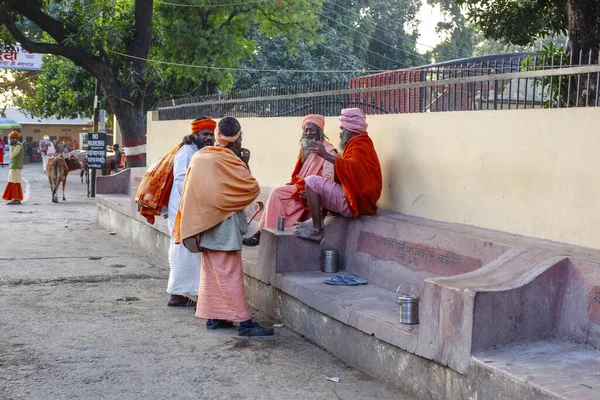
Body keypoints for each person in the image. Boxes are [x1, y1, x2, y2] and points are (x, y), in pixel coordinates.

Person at [174, 116, 273, 336]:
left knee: (211, 273)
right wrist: (245, 162)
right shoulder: (232, 160)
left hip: (204, 225)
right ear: (237, 139)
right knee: (229, 273)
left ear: (218, 134)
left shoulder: (200, 157)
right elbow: (251, 189)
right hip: (224, 226)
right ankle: (244, 323)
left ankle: (215, 317)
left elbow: (190, 192)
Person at [243, 114, 337, 247]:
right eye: (306, 130)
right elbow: (299, 174)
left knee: (277, 192)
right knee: (280, 191)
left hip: (314, 193)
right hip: (301, 189)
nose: (308, 133)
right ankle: (264, 233)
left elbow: (328, 180)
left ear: (319, 132)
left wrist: (311, 192)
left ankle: (262, 234)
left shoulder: (329, 151)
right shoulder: (306, 149)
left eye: (312, 130)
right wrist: (293, 184)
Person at [294, 108, 382, 241]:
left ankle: (316, 230)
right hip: (358, 197)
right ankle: (314, 222)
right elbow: (349, 173)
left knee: (311, 182)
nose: (340, 133)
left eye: (342, 129)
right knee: (320, 185)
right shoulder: (360, 142)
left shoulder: (359, 146)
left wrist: (325, 155)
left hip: (357, 201)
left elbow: (352, 168)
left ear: (351, 131)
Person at [167, 117, 216, 307]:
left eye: (211, 135)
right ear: (195, 135)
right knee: (183, 251)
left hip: (191, 208)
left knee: (189, 251)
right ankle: (177, 295)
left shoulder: (200, 151)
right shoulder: (186, 152)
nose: (209, 138)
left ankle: (182, 293)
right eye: (205, 134)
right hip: (184, 209)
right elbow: (181, 181)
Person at [2, 131, 24, 205]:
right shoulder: (16, 145)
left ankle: (16, 199)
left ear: (15, 139)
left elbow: (12, 156)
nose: (10, 140)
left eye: (11, 139)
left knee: (14, 182)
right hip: (13, 166)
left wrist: (11, 147)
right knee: (13, 182)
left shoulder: (18, 146)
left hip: (15, 167)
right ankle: (16, 198)